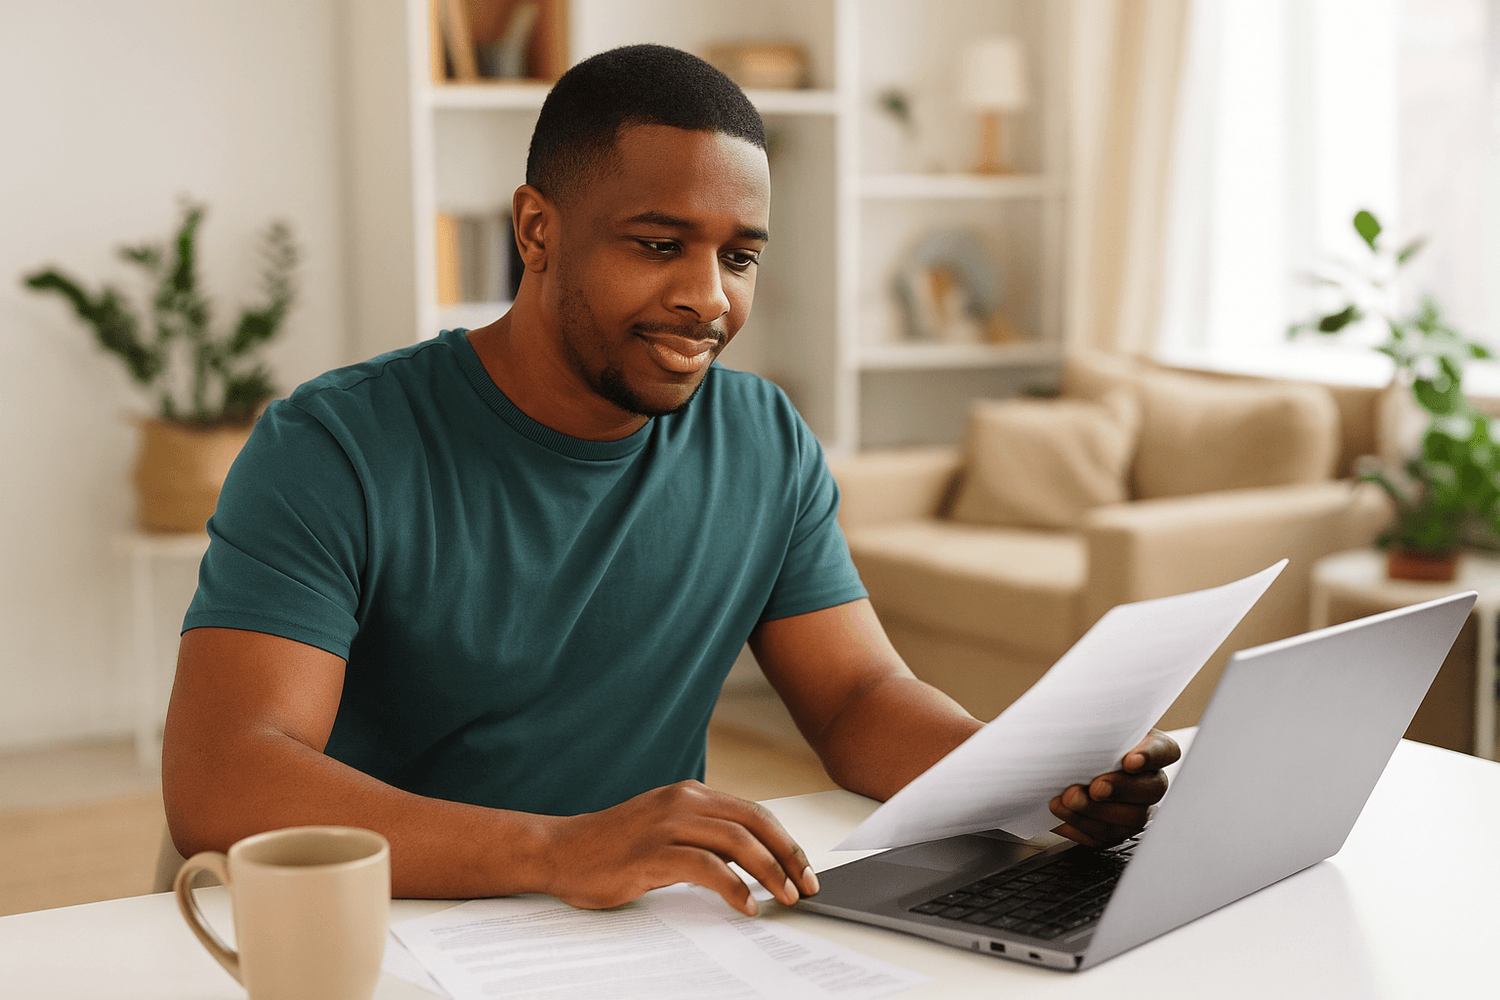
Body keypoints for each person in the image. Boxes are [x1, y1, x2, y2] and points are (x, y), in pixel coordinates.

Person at [163, 44, 1179, 918]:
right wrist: (557, 850)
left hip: (623, 923)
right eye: (658, 244)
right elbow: (224, 774)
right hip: (373, 916)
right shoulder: (334, 445)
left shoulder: (763, 438)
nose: (706, 299)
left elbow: (858, 697)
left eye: (738, 257)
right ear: (536, 231)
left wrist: (1031, 776)